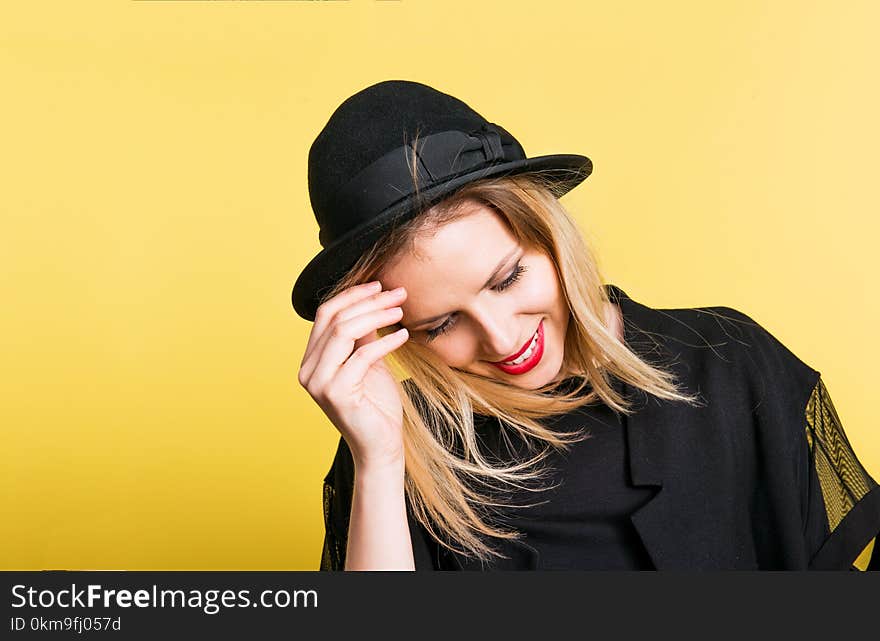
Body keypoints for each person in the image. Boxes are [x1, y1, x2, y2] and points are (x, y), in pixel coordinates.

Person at [291, 79, 880, 570]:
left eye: (505, 280)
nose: (501, 338)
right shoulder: (398, 451)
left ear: (549, 235)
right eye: (442, 324)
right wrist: (379, 463)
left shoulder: (730, 361)